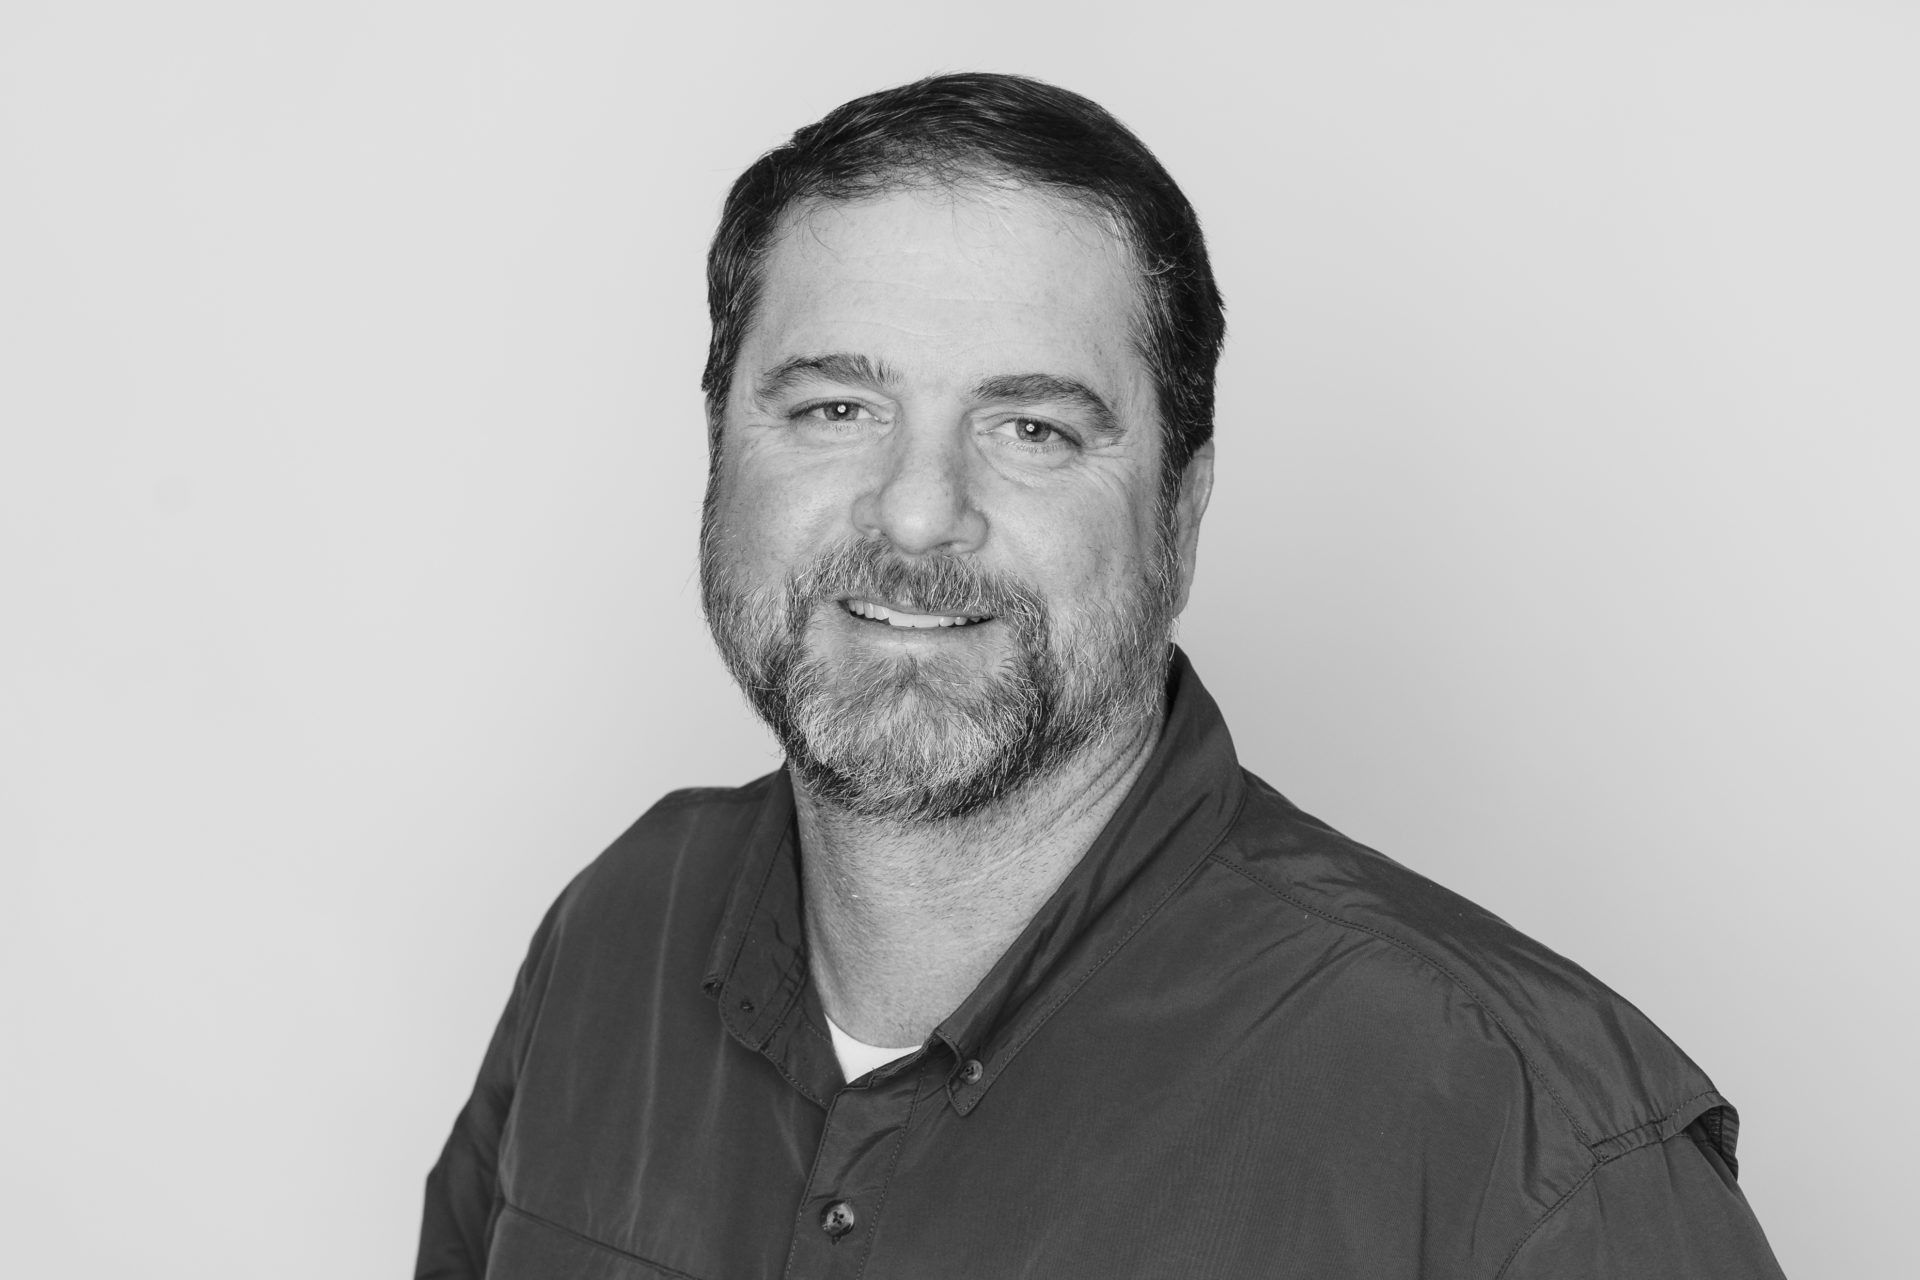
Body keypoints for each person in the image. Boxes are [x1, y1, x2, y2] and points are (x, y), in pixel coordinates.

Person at [417, 73, 1785, 1279]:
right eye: (837, 408)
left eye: (1032, 427)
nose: (914, 514)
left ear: (1180, 518)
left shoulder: (1530, 1151)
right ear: (721, 459)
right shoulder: (615, 937)